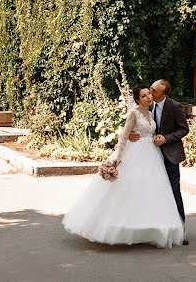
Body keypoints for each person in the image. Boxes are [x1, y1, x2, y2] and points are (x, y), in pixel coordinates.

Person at [62, 84, 184, 248]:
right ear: (137, 99)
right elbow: (124, 135)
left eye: (150, 94)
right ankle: (120, 226)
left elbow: (155, 130)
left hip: (153, 155)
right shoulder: (134, 113)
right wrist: (119, 154)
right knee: (129, 188)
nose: (149, 97)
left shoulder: (152, 111)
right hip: (136, 153)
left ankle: (155, 228)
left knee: (152, 191)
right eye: (145, 95)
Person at [129, 79, 189, 245]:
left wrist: (167, 138)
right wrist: (130, 134)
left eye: (153, 91)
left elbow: (184, 129)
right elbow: (135, 122)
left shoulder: (174, 106)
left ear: (162, 94)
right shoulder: (147, 105)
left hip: (170, 154)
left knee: (174, 191)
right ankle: (156, 229)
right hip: (150, 155)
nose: (149, 93)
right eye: (150, 90)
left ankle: (181, 230)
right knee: (154, 192)